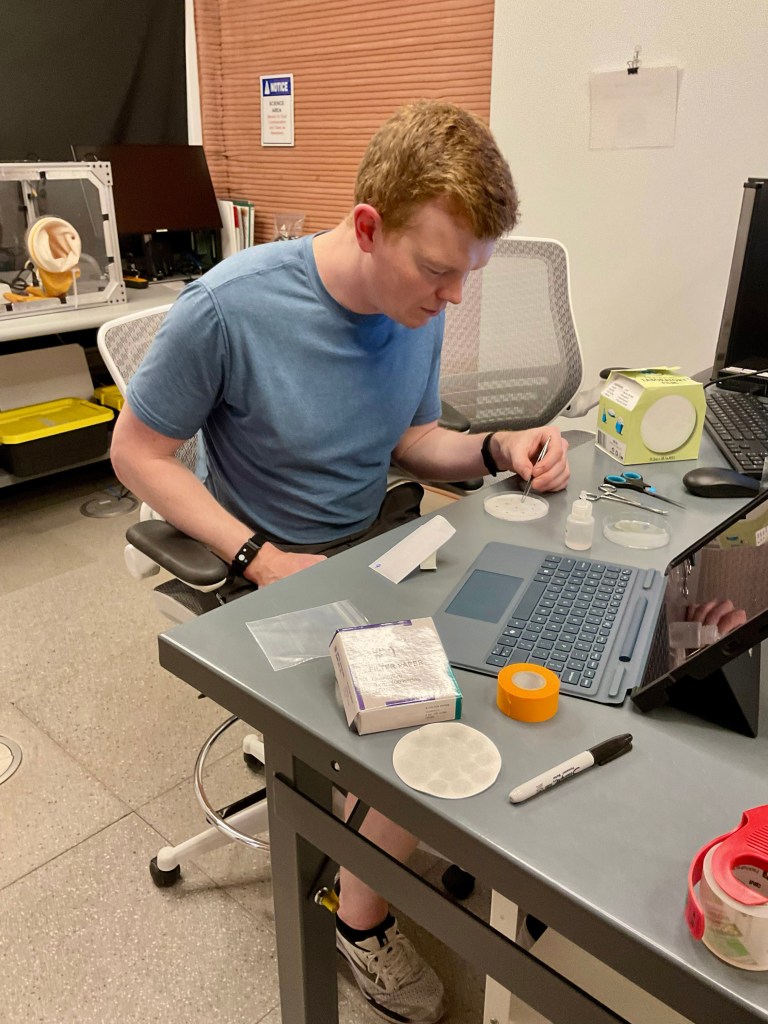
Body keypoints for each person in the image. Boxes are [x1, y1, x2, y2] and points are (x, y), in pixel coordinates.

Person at [110, 99, 570, 1024]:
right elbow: (136, 453)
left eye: (464, 278)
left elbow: (411, 438)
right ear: (368, 225)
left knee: (513, 635)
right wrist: (257, 556)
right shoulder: (230, 308)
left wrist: (494, 448)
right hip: (261, 579)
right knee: (436, 714)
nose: (450, 301)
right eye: (439, 272)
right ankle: (355, 916)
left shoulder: (418, 305)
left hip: (367, 554)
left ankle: (388, 826)